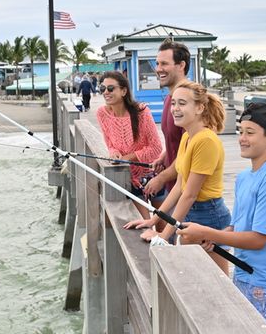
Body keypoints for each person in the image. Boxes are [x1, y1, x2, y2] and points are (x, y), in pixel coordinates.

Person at [177, 102, 266, 334]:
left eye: (250, 133)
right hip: (243, 276)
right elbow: (236, 228)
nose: (242, 138)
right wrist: (215, 241)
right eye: (241, 131)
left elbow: (258, 239)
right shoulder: (244, 178)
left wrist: (206, 232)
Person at [124, 80, 232, 274]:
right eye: (173, 103)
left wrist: (164, 237)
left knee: (219, 279)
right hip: (191, 212)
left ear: (200, 107)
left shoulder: (205, 140)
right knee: (197, 276)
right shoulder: (187, 136)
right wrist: (153, 220)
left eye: (182, 103)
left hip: (209, 215)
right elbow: (179, 186)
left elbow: (189, 194)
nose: (175, 109)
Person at [95, 71, 164, 219]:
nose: (106, 92)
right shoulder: (102, 113)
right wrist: (113, 153)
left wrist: (127, 157)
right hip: (130, 178)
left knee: (163, 227)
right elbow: (110, 144)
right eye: (102, 89)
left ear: (124, 91)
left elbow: (156, 148)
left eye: (111, 88)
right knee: (144, 226)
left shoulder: (142, 112)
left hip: (154, 174)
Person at [141, 40, 190, 207]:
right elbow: (177, 140)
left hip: (189, 196)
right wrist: (164, 157)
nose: (158, 69)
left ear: (181, 65)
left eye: (164, 64)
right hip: (173, 187)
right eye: (157, 63)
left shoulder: (189, 101)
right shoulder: (171, 98)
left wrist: (161, 178)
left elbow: (189, 154)